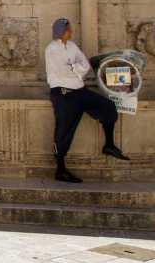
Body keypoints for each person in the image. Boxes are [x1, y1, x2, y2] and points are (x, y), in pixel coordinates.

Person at [46, 18, 130, 183]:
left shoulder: (72, 46)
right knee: (64, 131)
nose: (71, 31)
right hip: (63, 93)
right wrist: (75, 68)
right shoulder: (51, 49)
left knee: (107, 106)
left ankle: (109, 145)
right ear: (61, 31)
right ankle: (60, 170)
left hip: (79, 90)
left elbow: (84, 63)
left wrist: (74, 68)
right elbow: (62, 70)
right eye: (68, 29)